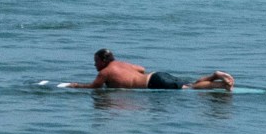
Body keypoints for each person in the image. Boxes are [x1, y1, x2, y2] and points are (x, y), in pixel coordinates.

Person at [90, 48, 234, 91]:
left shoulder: (105, 72)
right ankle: (214, 77)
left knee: (191, 88)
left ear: (103, 61)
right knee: (191, 83)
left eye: (96, 61)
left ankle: (220, 83)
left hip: (154, 83)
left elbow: (94, 87)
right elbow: (141, 69)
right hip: (157, 75)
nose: (95, 65)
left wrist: (75, 85)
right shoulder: (121, 64)